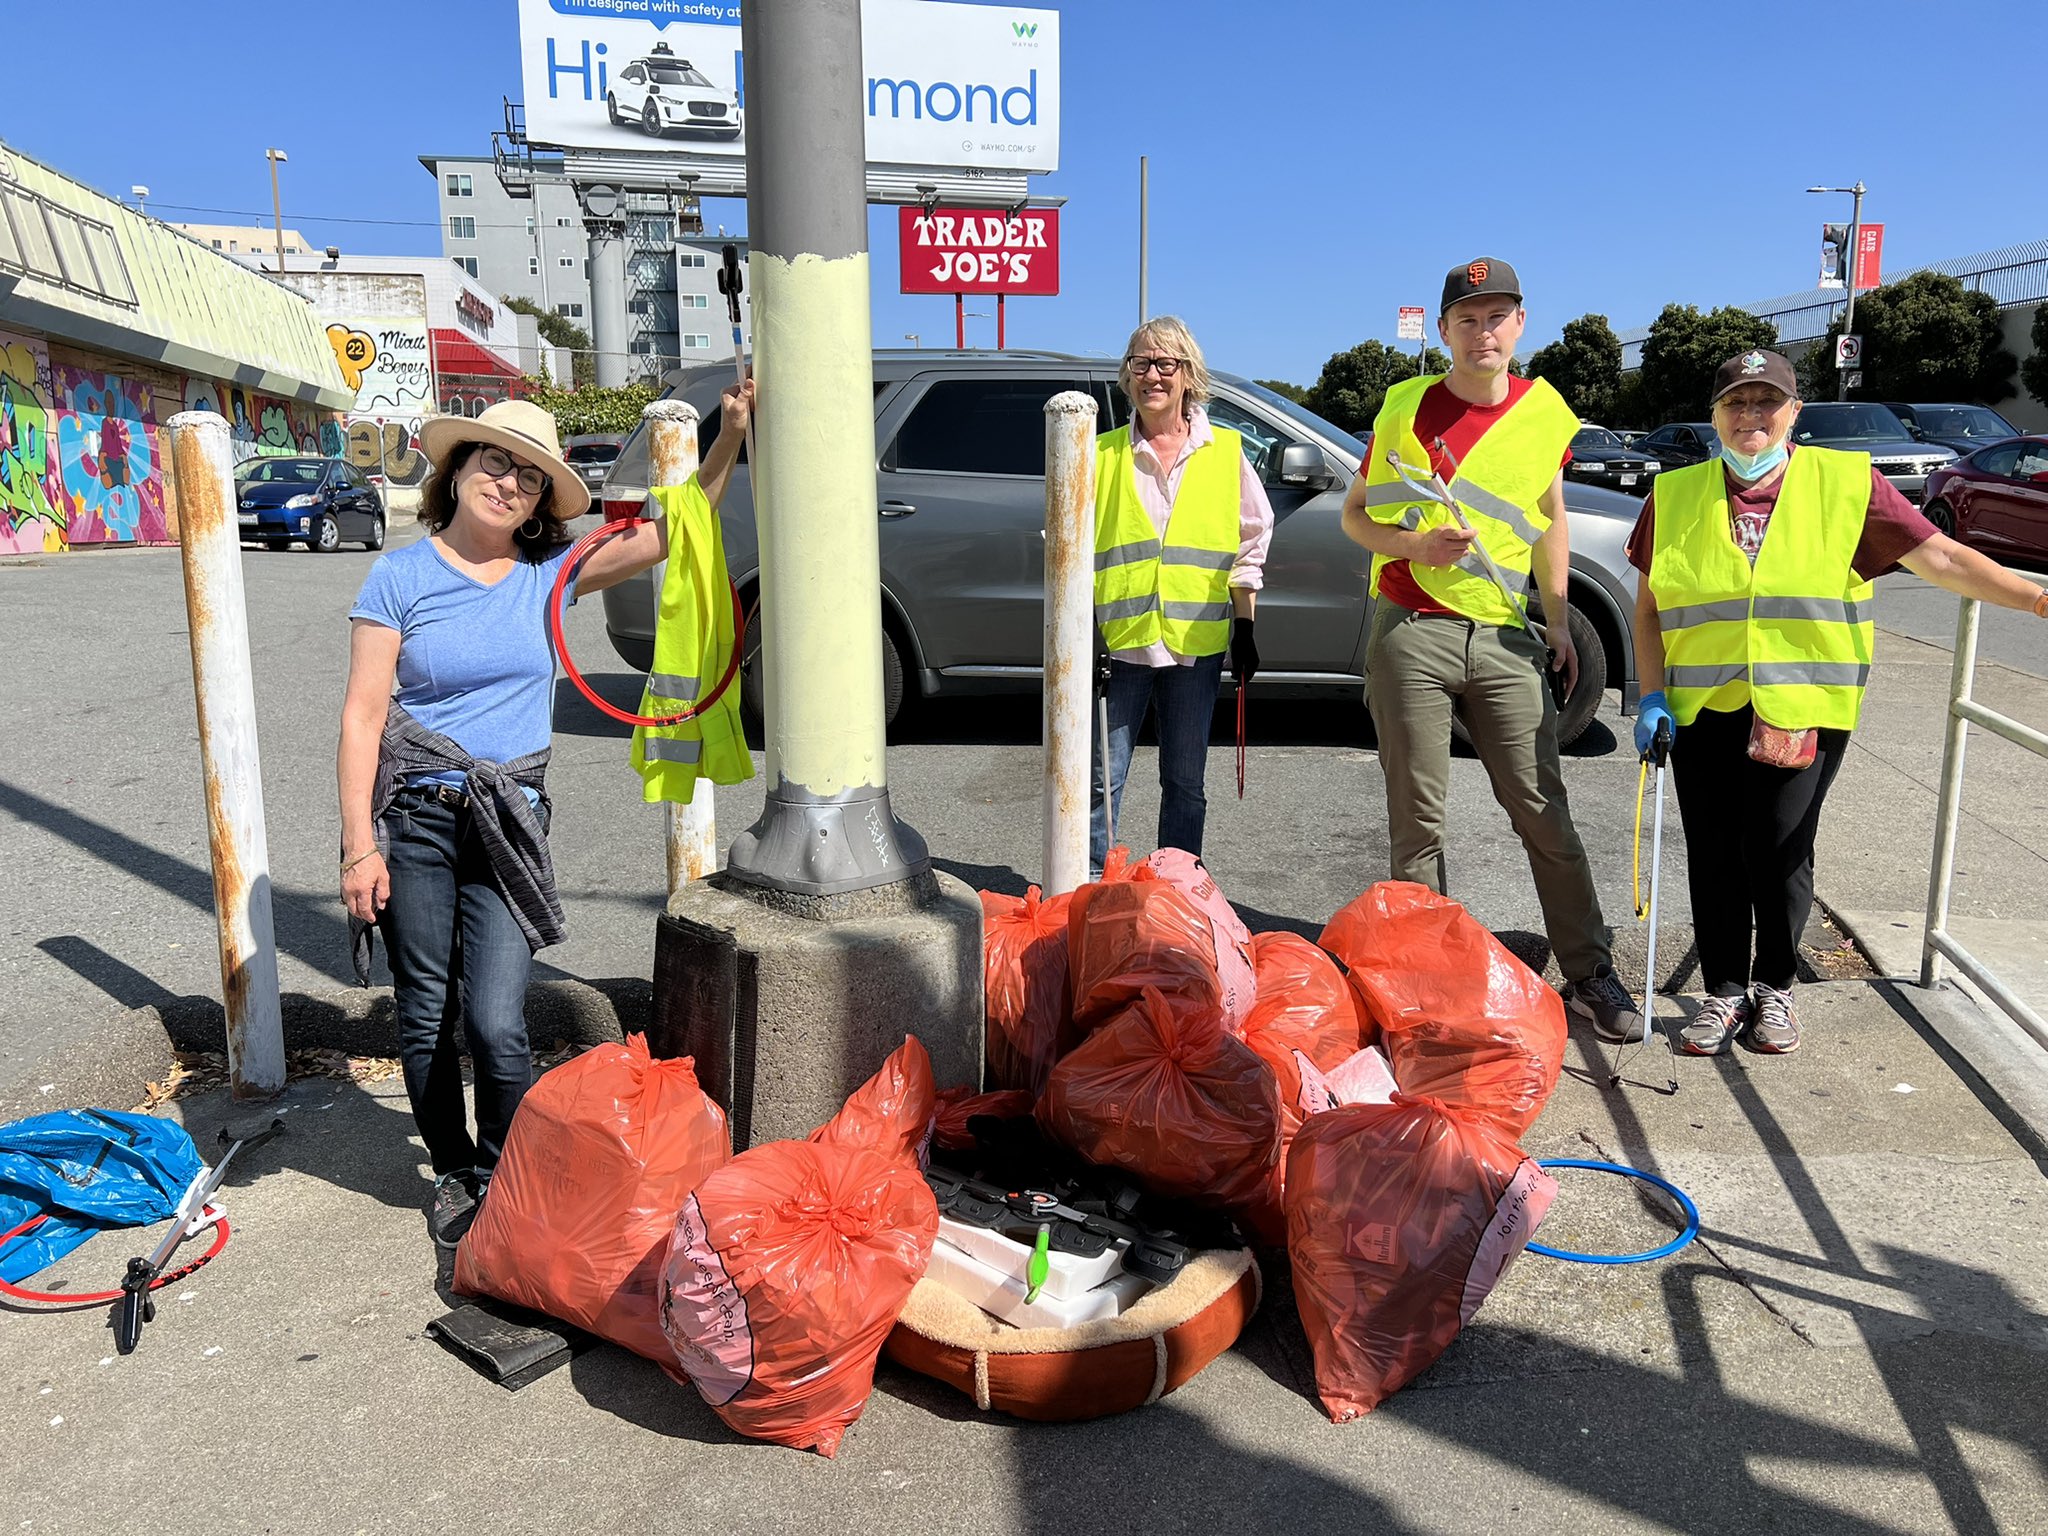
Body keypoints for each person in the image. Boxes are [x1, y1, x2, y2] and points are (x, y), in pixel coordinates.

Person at [339, 386, 751, 1247]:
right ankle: (454, 1172)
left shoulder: (544, 579)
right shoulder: (399, 577)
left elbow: (674, 529)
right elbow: (363, 718)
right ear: (455, 472)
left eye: (529, 476)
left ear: (538, 504)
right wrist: (357, 850)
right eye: (495, 461)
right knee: (424, 1014)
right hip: (418, 817)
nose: (509, 482)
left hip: (509, 826)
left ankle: (505, 1168)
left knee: (495, 1018)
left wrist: (729, 440)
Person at [1630, 349, 2048, 1057]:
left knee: (1779, 848)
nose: (1751, 416)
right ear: (1715, 416)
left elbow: (1941, 557)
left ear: (1795, 413)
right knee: (1714, 850)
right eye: (1736, 402)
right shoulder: (1673, 496)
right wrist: (1648, 695)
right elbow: (1647, 610)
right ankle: (1725, 990)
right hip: (1702, 709)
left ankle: (1777, 987)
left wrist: (2037, 597)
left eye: (1768, 402)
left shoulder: (1848, 484)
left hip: (1802, 706)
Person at [1340, 258, 1644, 1042]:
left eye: (1498, 315)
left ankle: (1590, 971)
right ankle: (1425, 983)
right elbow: (1355, 520)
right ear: (1444, 330)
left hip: (1507, 636)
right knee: (1418, 823)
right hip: (1413, 628)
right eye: (1468, 318)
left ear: (1520, 323)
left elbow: (1551, 525)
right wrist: (1414, 544)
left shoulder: (1547, 412)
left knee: (1543, 811)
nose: (1484, 331)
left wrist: (1554, 621)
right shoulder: (1404, 405)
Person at [1090, 317, 1272, 873]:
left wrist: (1245, 628)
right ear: (1126, 376)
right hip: (1119, 647)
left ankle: (1177, 892)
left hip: (1196, 645)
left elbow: (1251, 540)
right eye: (1140, 363)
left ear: (1188, 374)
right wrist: (1081, 635)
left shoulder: (1225, 452)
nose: (1152, 375)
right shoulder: (1099, 454)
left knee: (1186, 781)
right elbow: (1069, 553)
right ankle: (1089, 890)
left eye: (1166, 364)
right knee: (1101, 782)